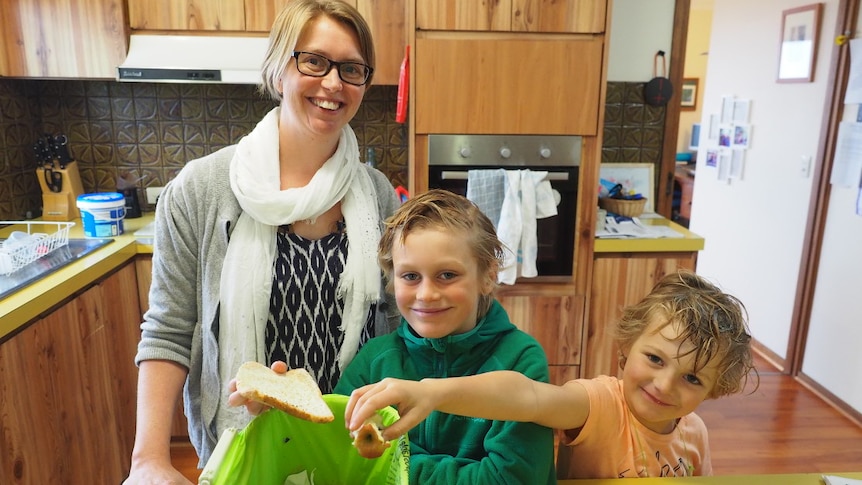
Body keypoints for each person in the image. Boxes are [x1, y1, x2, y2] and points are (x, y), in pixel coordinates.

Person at [123, 1, 400, 483]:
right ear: (278, 71)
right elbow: (168, 330)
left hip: (350, 445)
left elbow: (396, 325)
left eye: (351, 69)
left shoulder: (375, 191)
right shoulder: (200, 189)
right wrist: (148, 459)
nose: (333, 83)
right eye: (314, 61)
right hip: (242, 446)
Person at [345, 270, 759, 479]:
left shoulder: (696, 433)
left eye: (692, 379)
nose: (665, 385)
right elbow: (526, 396)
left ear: (714, 389)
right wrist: (435, 393)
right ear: (627, 346)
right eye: (655, 359)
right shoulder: (598, 404)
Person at [331, 189, 556, 484]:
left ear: (488, 275)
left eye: (447, 275)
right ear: (391, 278)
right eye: (410, 276)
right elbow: (340, 458)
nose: (426, 294)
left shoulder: (520, 359)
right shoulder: (374, 361)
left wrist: (399, 465)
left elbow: (512, 479)